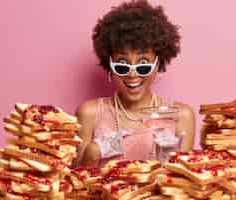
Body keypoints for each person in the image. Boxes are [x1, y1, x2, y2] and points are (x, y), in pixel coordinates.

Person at [73, 0, 195, 167]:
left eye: (143, 64)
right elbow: (74, 186)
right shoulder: (89, 113)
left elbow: (181, 186)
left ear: (157, 65)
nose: (132, 74)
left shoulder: (181, 116)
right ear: (110, 65)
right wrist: (92, 152)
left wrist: (170, 162)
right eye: (122, 64)